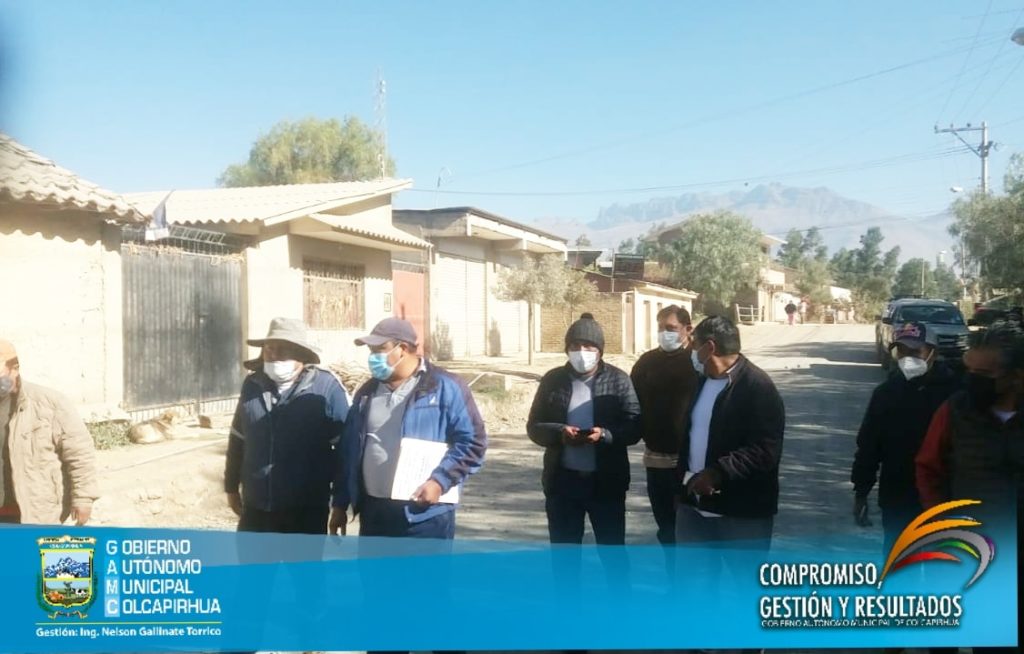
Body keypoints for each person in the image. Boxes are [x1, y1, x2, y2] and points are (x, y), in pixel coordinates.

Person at [916, 323, 1024, 654]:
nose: (973, 381)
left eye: (984, 374)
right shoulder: (953, 412)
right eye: (969, 371)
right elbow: (928, 468)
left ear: (1016, 377)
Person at [330, 317, 487, 540]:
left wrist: (439, 481)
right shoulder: (367, 392)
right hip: (374, 514)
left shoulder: (445, 387)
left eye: (379, 350)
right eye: (371, 351)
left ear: (402, 349)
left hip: (423, 517)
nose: (373, 358)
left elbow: (473, 442)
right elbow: (349, 450)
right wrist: (340, 503)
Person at [225, 317, 350, 535]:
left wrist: (340, 503)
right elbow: (238, 438)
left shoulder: (327, 389)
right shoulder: (252, 385)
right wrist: (231, 486)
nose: (274, 355)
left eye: (283, 350)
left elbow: (345, 451)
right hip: (256, 509)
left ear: (301, 354)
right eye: (269, 349)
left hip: (306, 511)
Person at [675, 316, 785, 562]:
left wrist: (716, 474)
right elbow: (689, 437)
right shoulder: (700, 381)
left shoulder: (758, 387)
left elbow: (766, 450)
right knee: (692, 582)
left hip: (742, 513)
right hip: (693, 508)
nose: (690, 351)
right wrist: (680, 489)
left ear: (709, 347)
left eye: (694, 344)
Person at [528, 313, 641, 547]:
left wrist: (605, 435)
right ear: (567, 349)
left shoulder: (619, 380)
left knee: (612, 554)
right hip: (562, 484)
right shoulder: (553, 380)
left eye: (589, 346)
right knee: (564, 555)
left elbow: (634, 427)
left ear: (600, 350)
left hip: (607, 484)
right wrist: (560, 433)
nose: (582, 351)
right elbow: (534, 426)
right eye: (575, 346)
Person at [850, 321, 960, 554]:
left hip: (945, 496)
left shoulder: (956, 394)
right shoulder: (886, 394)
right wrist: (861, 491)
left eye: (915, 351)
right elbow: (869, 446)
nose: (908, 358)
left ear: (933, 353)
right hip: (898, 496)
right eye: (902, 351)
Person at [0, 339, 98, 525]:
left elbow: (79, 452)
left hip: (33, 512)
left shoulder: (49, 403)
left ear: (15, 369)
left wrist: (83, 498)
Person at [630, 305, 698, 545]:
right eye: (660, 328)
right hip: (656, 461)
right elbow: (631, 404)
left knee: (692, 529)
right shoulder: (647, 362)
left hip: (692, 462)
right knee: (666, 526)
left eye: (671, 328)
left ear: (688, 329)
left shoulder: (699, 362)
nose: (664, 333)